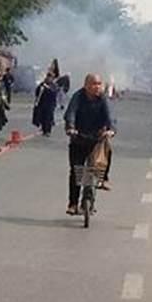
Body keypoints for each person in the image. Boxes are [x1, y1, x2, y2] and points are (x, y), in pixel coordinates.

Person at [64, 74, 115, 215]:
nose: (97, 87)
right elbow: (70, 113)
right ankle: (73, 204)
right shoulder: (78, 97)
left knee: (101, 160)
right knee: (76, 171)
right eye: (94, 84)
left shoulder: (103, 99)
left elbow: (110, 116)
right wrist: (70, 127)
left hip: (96, 140)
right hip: (78, 138)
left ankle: (102, 181)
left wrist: (111, 130)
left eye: (99, 84)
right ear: (86, 85)